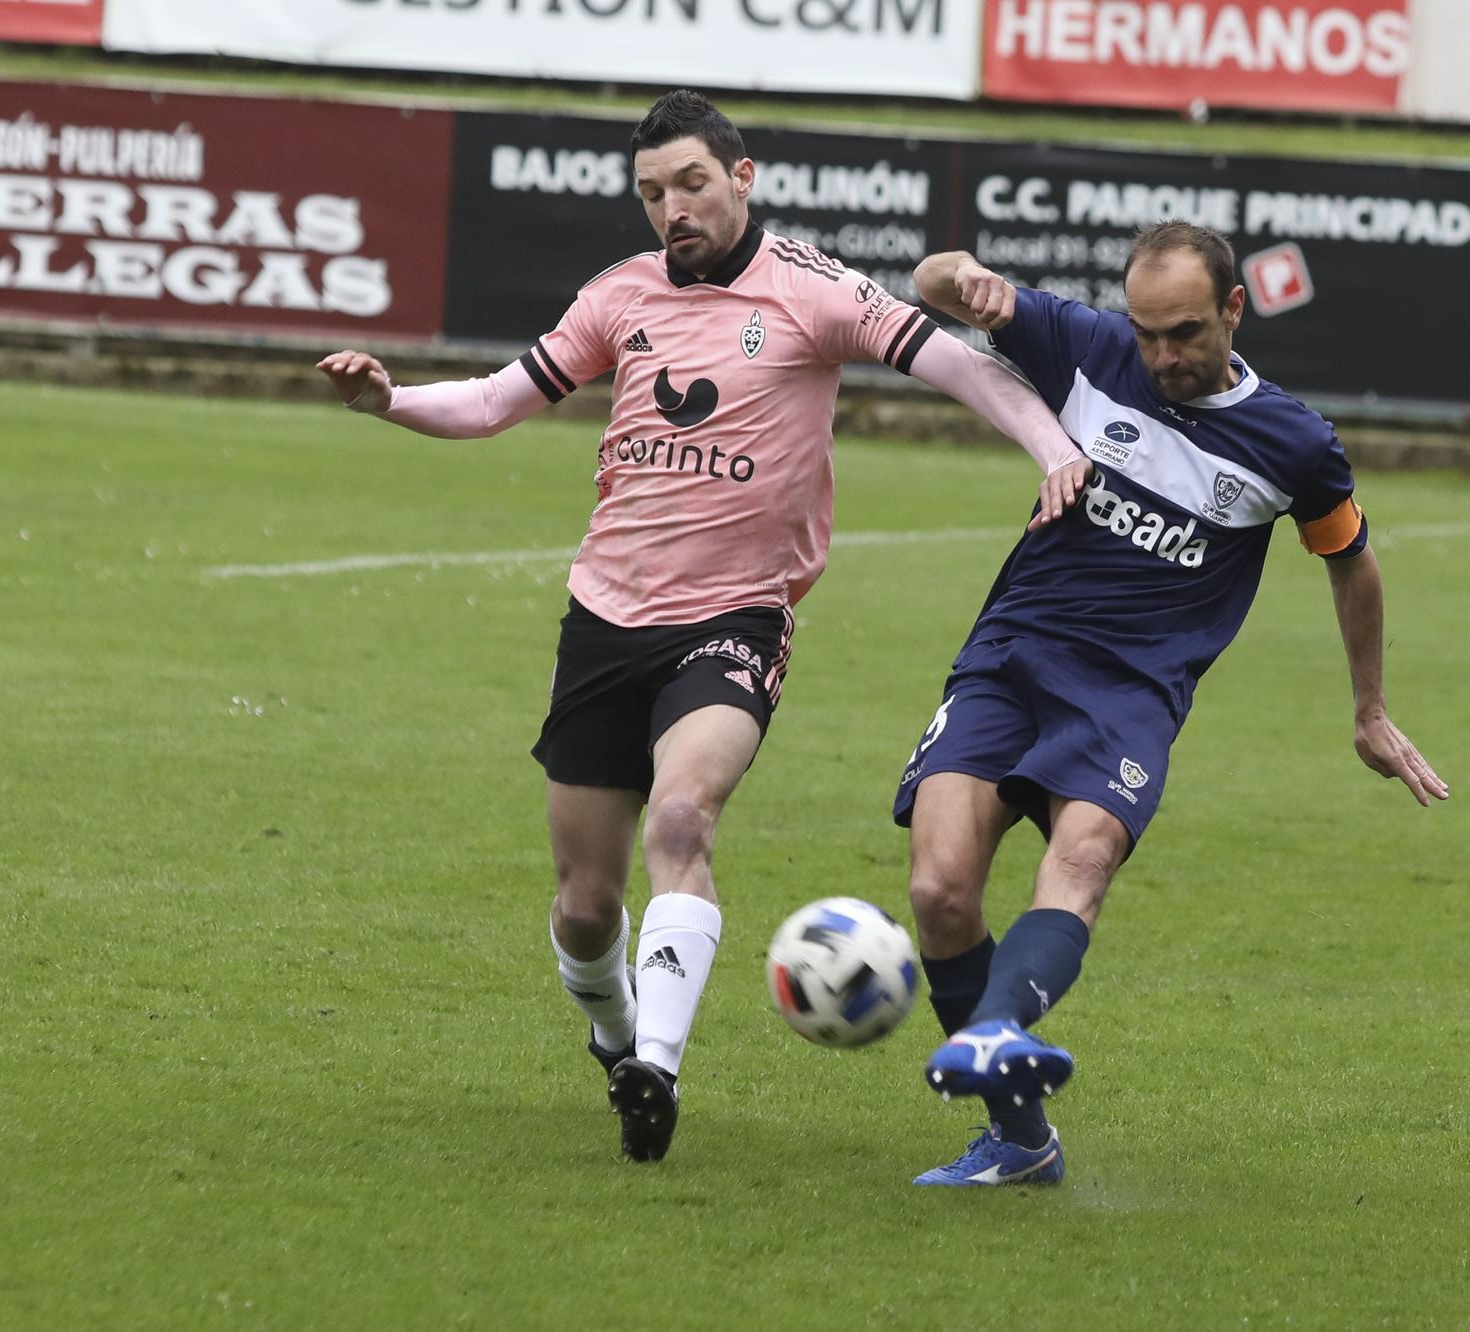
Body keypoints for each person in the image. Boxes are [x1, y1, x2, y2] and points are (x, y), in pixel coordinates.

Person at [316, 90, 1087, 1163]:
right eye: (649, 193)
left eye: (688, 184)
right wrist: (388, 399)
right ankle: (616, 1034)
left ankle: (656, 1073)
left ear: (742, 177)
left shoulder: (813, 290)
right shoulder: (619, 297)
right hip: (603, 619)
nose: (669, 208)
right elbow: (497, 401)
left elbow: (958, 362)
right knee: (585, 908)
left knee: (681, 822)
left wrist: (1053, 452)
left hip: (731, 619)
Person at [895, 222, 1449, 1186]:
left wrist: (1370, 709)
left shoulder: (1295, 443)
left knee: (1084, 855)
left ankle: (994, 1029)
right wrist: (966, 277)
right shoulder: (1087, 344)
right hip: (1011, 658)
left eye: (1186, 333)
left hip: (1131, 694)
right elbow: (929, 281)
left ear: (1234, 309)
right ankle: (1021, 1139)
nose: (1163, 358)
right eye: (1149, 334)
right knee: (941, 892)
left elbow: (1352, 564)